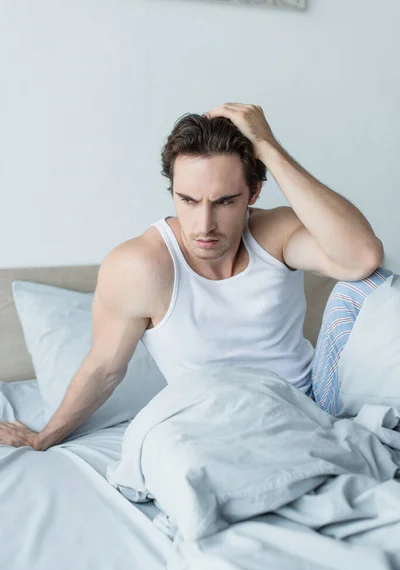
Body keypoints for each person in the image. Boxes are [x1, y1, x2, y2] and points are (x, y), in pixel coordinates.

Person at [0, 102, 390, 451]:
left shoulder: (274, 234)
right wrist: (43, 437)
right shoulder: (140, 266)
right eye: (188, 200)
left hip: (316, 402)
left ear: (253, 192)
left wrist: (267, 147)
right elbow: (104, 368)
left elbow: (362, 258)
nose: (204, 225)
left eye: (225, 201)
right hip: (221, 418)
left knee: (374, 285)